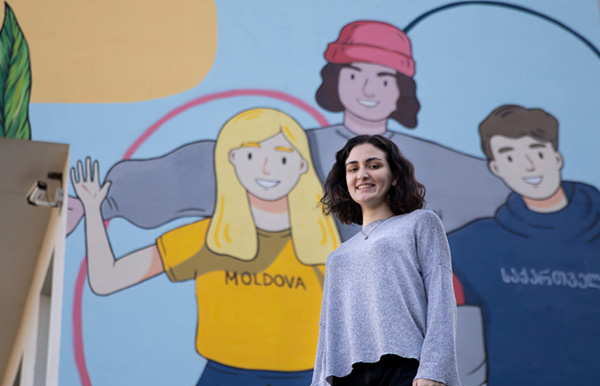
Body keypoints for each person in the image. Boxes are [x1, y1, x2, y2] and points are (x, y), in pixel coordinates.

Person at [67, 20, 509, 237]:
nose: (368, 89)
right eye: (354, 74)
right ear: (336, 83)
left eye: (383, 78)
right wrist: (104, 203)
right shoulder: (294, 147)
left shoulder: (432, 161)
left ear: (401, 92)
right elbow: (203, 167)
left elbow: (505, 190)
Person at [71, 108, 341, 386]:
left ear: (301, 165)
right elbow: (107, 279)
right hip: (224, 383)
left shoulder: (326, 246)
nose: (266, 169)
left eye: (282, 158)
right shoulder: (209, 237)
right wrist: (93, 212)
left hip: (306, 385)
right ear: (232, 159)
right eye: (251, 156)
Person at [448, 105, 600, 386]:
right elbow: (412, 294)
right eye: (509, 155)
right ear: (496, 168)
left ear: (556, 157)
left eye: (536, 150)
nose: (528, 165)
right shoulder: (476, 244)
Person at [305, 135, 462, 386]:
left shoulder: (421, 223)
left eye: (374, 165)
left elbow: (441, 296)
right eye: (353, 168)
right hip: (345, 379)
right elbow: (328, 329)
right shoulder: (338, 256)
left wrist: (434, 368)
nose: (362, 174)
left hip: (405, 370)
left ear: (395, 176)